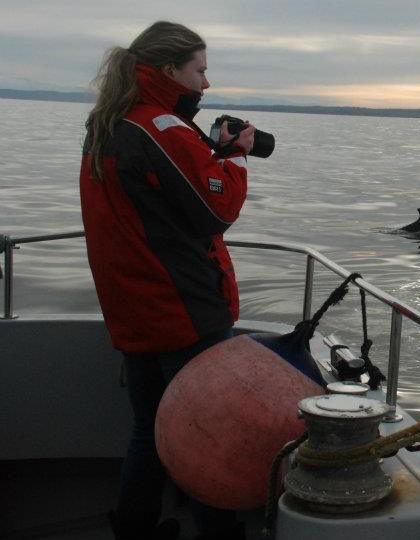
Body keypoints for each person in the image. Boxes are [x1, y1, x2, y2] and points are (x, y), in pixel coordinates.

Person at [79, 21, 255, 540]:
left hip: (135, 310)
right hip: (183, 312)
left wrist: (210, 154)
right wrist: (235, 157)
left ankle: (134, 528)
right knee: (205, 438)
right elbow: (216, 209)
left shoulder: (108, 124)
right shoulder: (161, 127)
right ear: (170, 69)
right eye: (199, 70)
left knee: (149, 430)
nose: (206, 83)